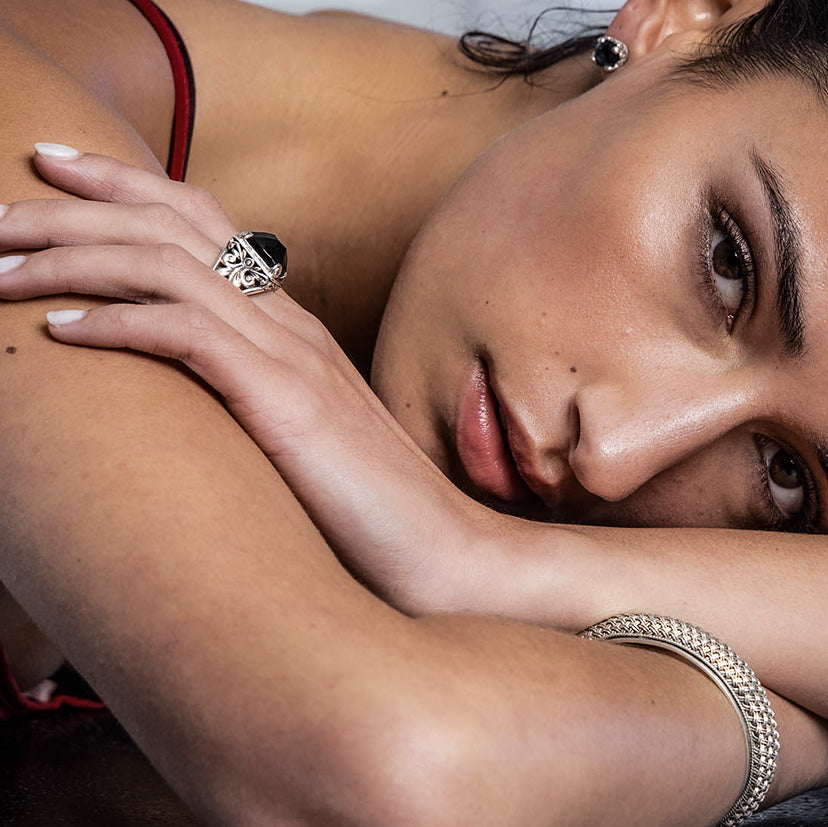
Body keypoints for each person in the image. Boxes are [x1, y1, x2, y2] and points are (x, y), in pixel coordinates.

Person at [0, 0, 827, 823]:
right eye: (730, 261)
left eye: (787, 475)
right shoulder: (29, 113)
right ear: (687, 17)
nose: (613, 455)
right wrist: (794, 729)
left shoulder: (494, 536)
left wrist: (489, 557)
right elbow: (384, 764)